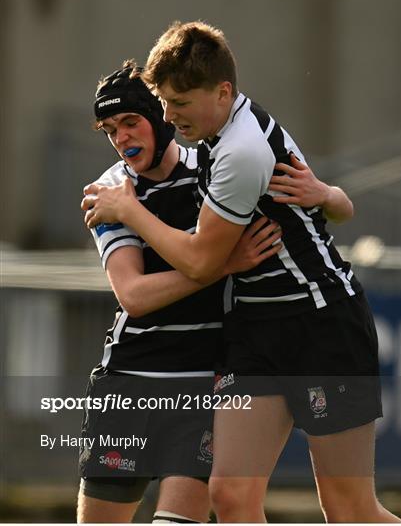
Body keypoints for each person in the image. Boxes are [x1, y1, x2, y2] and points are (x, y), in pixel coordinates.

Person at [80, 21, 399, 523]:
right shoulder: (209, 132)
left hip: (322, 325)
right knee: (229, 497)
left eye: (178, 104)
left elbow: (202, 262)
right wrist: (332, 197)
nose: (169, 116)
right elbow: (321, 207)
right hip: (252, 329)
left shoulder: (239, 150)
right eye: (163, 103)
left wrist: (132, 213)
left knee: (349, 509)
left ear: (222, 91)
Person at [77, 59, 285, 524]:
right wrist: (222, 265)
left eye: (131, 122)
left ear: (162, 117)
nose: (122, 139)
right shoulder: (111, 192)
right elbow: (133, 295)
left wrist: (330, 195)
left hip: (203, 388)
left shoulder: (215, 170)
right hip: (130, 384)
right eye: (111, 129)